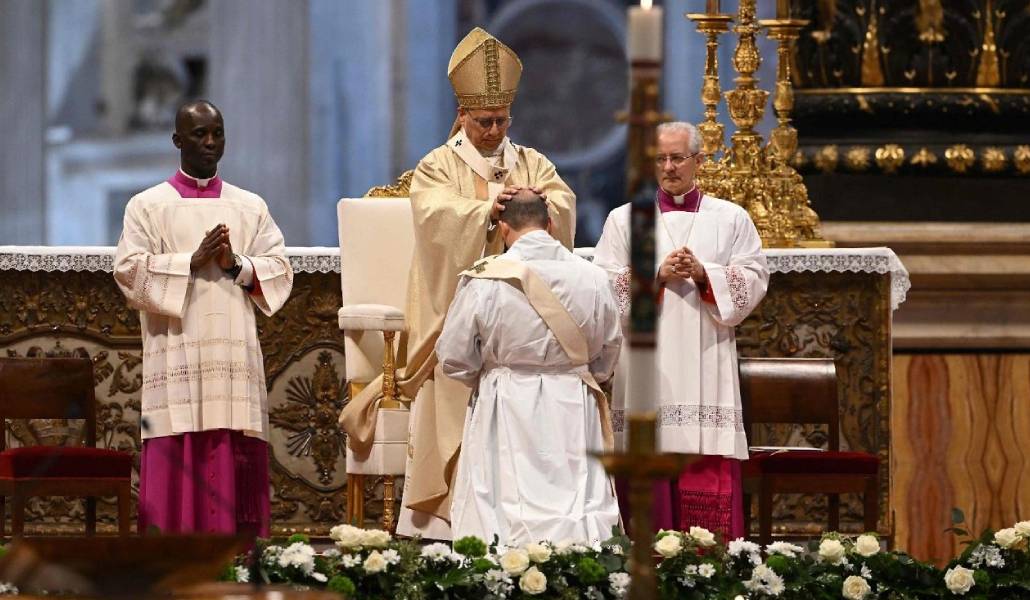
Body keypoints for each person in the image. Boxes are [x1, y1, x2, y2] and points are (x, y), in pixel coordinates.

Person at [340, 27, 576, 539]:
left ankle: (520, 522)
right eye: (484, 121)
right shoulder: (437, 165)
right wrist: (485, 213)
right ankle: (442, 525)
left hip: (520, 320)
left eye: (501, 120)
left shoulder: (532, 161)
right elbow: (433, 221)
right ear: (462, 117)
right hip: (456, 310)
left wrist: (535, 203)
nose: (493, 130)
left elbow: (563, 206)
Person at [113, 100, 293, 535]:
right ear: (177, 140)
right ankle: (169, 565)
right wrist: (189, 262)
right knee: (177, 438)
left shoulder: (249, 207)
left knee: (232, 448)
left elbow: (280, 270)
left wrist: (236, 265)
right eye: (199, 134)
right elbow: (127, 271)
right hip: (175, 353)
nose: (210, 142)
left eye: (217, 133)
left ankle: (239, 565)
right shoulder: (147, 206)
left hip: (232, 358)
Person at [592, 121, 769, 539]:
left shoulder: (731, 218)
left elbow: (756, 277)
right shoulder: (624, 219)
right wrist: (653, 276)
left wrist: (707, 275)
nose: (669, 167)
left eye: (678, 158)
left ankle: (707, 569)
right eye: (660, 159)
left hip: (706, 352)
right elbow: (602, 285)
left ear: (698, 161)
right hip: (646, 358)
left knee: (704, 459)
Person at [436, 191, 621, 545]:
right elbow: (610, 347)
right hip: (572, 401)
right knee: (575, 501)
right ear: (550, 225)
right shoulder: (593, 276)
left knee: (501, 509)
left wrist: (490, 375)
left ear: (503, 228)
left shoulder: (484, 278)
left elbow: (454, 355)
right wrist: (579, 374)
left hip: (504, 400)